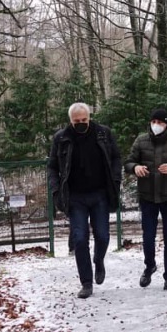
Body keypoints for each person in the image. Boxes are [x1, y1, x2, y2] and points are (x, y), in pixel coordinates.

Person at [48, 102, 122, 299]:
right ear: (70, 121)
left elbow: (116, 158)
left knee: (103, 236)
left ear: (89, 117)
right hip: (75, 197)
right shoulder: (61, 138)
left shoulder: (103, 133)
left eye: (84, 120)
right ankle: (86, 282)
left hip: (100, 194)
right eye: (76, 121)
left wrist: (115, 180)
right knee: (80, 239)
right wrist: (56, 191)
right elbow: (52, 167)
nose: (81, 123)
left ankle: (99, 260)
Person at [124, 108, 167, 292]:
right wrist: (135, 168)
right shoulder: (141, 140)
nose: (156, 125)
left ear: (166, 124)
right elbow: (128, 162)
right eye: (153, 122)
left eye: (160, 122)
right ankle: (149, 266)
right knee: (148, 236)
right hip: (147, 196)